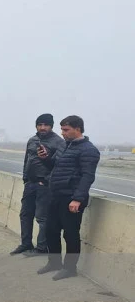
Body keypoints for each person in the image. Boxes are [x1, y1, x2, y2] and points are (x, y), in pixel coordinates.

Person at [36, 115, 100, 280]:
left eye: (66, 130)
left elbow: (87, 177)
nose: (62, 133)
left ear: (77, 129)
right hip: (56, 195)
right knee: (51, 230)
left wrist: (77, 199)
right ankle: (54, 262)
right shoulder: (64, 146)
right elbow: (55, 166)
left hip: (71, 198)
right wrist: (45, 159)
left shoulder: (89, 150)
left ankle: (70, 268)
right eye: (62, 129)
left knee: (70, 234)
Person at [10, 114, 66, 256]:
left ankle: (42, 248)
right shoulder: (32, 140)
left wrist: (46, 180)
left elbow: (59, 166)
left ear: (51, 126)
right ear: (36, 126)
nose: (42, 127)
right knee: (25, 214)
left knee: (42, 218)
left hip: (45, 186)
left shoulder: (58, 142)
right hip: (30, 184)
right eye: (40, 124)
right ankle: (26, 243)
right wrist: (25, 178)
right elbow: (26, 161)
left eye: (46, 125)